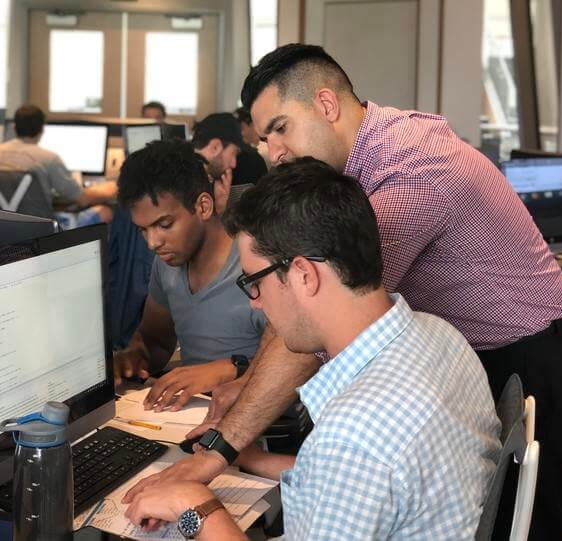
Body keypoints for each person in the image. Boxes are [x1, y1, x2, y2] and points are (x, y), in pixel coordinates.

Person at [126, 44, 562, 541]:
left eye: (280, 128)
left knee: (540, 522)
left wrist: (218, 453)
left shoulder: (411, 172)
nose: (273, 152)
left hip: (525, 346)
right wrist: (249, 390)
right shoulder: (363, 161)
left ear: (326, 105)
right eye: (262, 139)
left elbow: (319, 311)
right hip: (456, 355)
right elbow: (311, 313)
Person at [124, 158, 501, 540]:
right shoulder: (440, 337)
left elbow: (356, 460)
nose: (255, 302)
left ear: (304, 275)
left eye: (253, 282)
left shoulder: (352, 436)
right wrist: (256, 460)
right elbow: (363, 485)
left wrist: (193, 507)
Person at [114, 139, 266, 411]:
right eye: (143, 230)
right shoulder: (167, 264)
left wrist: (229, 370)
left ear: (203, 207)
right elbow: (156, 340)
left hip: (258, 422)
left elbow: (302, 361)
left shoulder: (258, 262)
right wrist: (134, 357)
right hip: (187, 416)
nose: (152, 243)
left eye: (164, 224)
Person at [0, 104, 116, 224]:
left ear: (14, 128)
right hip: (43, 229)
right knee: (105, 211)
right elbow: (83, 199)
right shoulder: (49, 158)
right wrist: (112, 188)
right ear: (42, 130)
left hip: (4, 229)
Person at [192, 113, 243, 215]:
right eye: (233, 153)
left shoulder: (202, 176)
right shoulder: (182, 180)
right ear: (216, 147)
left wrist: (220, 206)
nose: (234, 164)